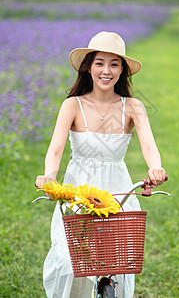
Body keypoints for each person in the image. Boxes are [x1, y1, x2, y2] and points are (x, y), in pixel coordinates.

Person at [35, 31, 166, 298]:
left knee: (115, 262)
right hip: (78, 190)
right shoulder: (72, 105)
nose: (106, 71)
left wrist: (156, 169)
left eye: (114, 64)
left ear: (122, 71)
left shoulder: (133, 107)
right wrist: (49, 176)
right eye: (99, 63)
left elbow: (150, 146)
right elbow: (56, 149)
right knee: (70, 258)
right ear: (88, 68)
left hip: (117, 189)